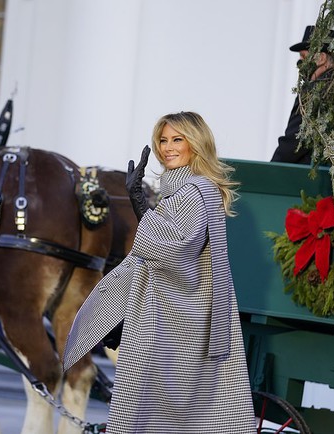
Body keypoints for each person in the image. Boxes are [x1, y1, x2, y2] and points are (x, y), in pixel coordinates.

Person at [63, 111, 255, 433]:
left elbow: (175, 251)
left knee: (152, 409)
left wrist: (141, 208)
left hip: (172, 322)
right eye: (163, 140)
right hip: (169, 311)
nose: (167, 147)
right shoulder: (185, 190)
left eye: (177, 139)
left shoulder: (193, 191)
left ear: (196, 143)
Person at [271, 25, 334, 164]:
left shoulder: (315, 92)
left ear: (322, 58)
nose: (300, 63)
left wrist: (270, 170)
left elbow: (295, 141)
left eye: (304, 57)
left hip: (306, 176)